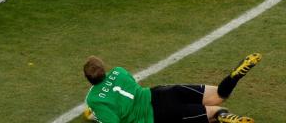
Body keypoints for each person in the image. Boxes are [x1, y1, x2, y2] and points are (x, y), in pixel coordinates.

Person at [81, 53, 260, 123]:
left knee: (216, 111)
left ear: (87, 78)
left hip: (159, 114)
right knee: (218, 94)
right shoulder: (118, 72)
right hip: (162, 93)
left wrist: (98, 117)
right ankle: (234, 75)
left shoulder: (94, 99)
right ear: (104, 69)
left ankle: (223, 116)